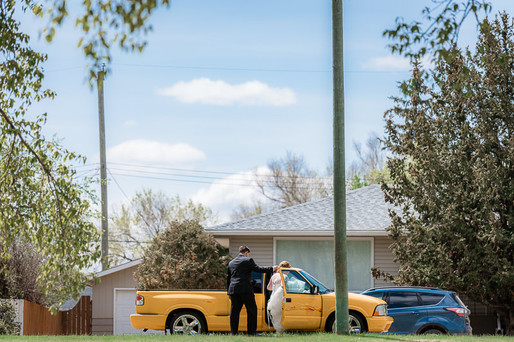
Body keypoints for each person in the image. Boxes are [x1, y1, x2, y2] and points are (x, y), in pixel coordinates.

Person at [227, 245, 277, 335]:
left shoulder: (231, 263)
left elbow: (229, 278)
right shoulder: (248, 260)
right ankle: (251, 332)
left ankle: (234, 333)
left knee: (234, 312)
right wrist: (272, 268)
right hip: (245, 289)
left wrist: (228, 292)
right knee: (252, 310)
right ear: (246, 253)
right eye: (248, 254)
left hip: (234, 289)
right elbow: (258, 269)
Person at [266, 260, 291, 333]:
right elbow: (283, 287)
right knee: (281, 314)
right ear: (286, 269)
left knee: (275, 315)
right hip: (280, 298)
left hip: (273, 298)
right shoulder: (285, 276)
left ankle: (278, 330)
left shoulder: (274, 276)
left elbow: (268, 288)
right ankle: (281, 331)